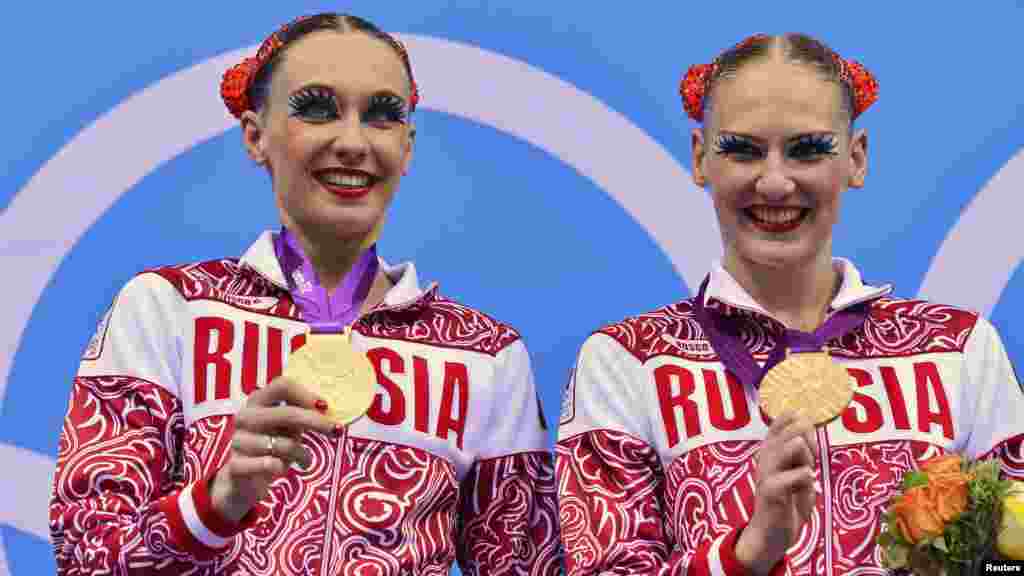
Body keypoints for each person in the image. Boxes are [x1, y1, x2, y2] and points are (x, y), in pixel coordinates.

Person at [49, 13, 560, 575]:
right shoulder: (169, 309)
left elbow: (526, 565)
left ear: (408, 147)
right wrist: (217, 502)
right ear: (255, 136)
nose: (352, 141)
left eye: (383, 115)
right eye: (317, 109)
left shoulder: (485, 355)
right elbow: (86, 552)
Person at [555, 33, 1024, 575]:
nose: (775, 182)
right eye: (742, 149)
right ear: (700, 158)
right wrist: (749, 552)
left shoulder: (958, 348)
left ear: (856, 158)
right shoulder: (627, 361)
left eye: (807, 149)